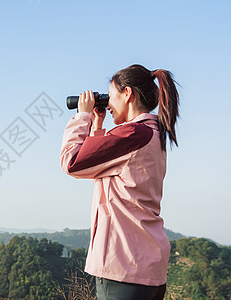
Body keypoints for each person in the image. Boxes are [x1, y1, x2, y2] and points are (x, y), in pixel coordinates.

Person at [60, 64, 179, 300]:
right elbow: (102, 169)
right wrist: (97, 127)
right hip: (149, 269)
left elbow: (71, 162)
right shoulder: (153, 134)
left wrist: (82, 115)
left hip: (123, 270)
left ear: (127, 94)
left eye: (111, 96)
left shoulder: (132, 134)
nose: (109, 103)